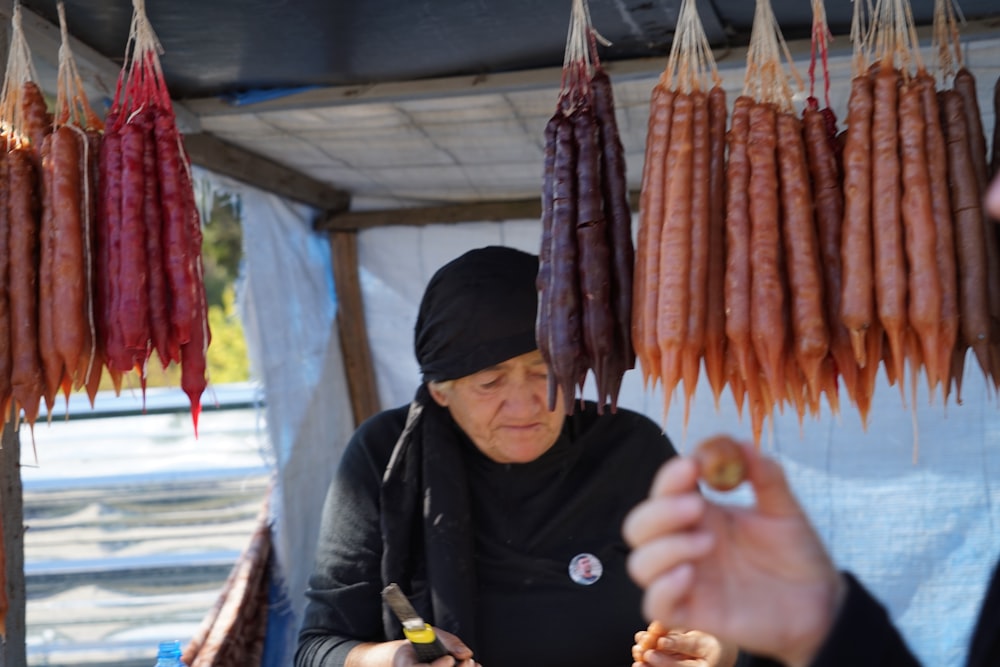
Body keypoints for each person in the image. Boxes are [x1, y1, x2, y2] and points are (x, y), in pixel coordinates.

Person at [295, 245, 736, 667]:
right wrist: (390, 659)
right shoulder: (386, 455)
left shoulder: (633, 447)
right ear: (439, 391)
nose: (525, 405)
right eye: (490, 383)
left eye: (545, 373)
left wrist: (716, 650)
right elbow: (319, 648)